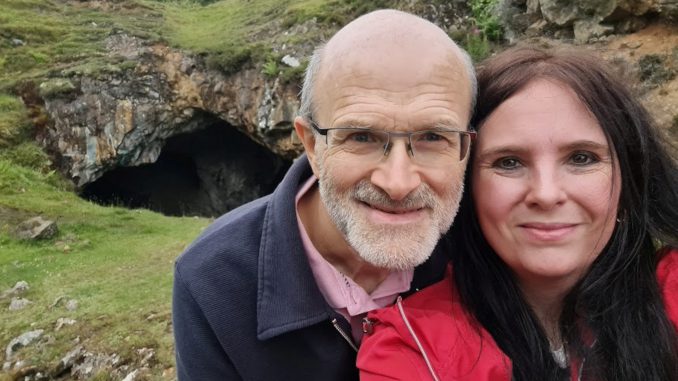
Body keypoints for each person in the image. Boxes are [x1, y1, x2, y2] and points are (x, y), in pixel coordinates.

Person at [172, 9, 477, 380]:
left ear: (465, 148)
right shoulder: (213, 281)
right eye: (361, 137)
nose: (398, 183)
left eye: (433, 137)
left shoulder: (485, 244)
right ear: (312, 146)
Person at [358, 47, 678, 381]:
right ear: (466, 188)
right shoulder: (411, 348)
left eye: (582, 158)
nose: (546, 193)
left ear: (630, 178)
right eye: (508, 162)